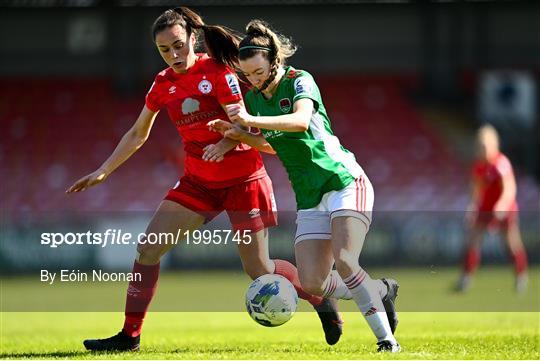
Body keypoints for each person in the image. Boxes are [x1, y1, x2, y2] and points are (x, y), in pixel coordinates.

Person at [66, 8, 340, 351]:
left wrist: (226, 142)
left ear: (192, 39)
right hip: (199, 182)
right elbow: (138, 134)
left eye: (179, 45)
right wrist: (103, 170)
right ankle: (129, 336)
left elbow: (249, 126)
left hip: (243, 180)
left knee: (259, 269)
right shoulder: (163, 83)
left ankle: (320, 299)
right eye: (165, 50)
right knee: (147, 250)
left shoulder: (219, 70)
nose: (174, 55)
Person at [208, 20, 400, 352]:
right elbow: (273, 144)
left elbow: (298, 122)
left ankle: (387, 341)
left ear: (273, 62)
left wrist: (249, 123)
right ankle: (381, 290)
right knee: (312, 281)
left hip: (343, 181)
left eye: (257, 72)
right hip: (310, 197)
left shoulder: (300, 80)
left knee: (346, 261)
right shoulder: (255, 101)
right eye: (247, 75)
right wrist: (239, 134)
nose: (252, 80)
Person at [456, 124, 528, 293]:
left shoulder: (501, 163)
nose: (482, 149)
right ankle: (466, 278)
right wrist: (472, 207)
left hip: (504, 209)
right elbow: (476, 190)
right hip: (485, 209)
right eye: (480, 146)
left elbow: (509, 188)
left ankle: (520, 276)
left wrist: (502, 204)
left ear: (494, 145)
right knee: (472, 241)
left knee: (511, 243)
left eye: (485, 146)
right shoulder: (478, 166)